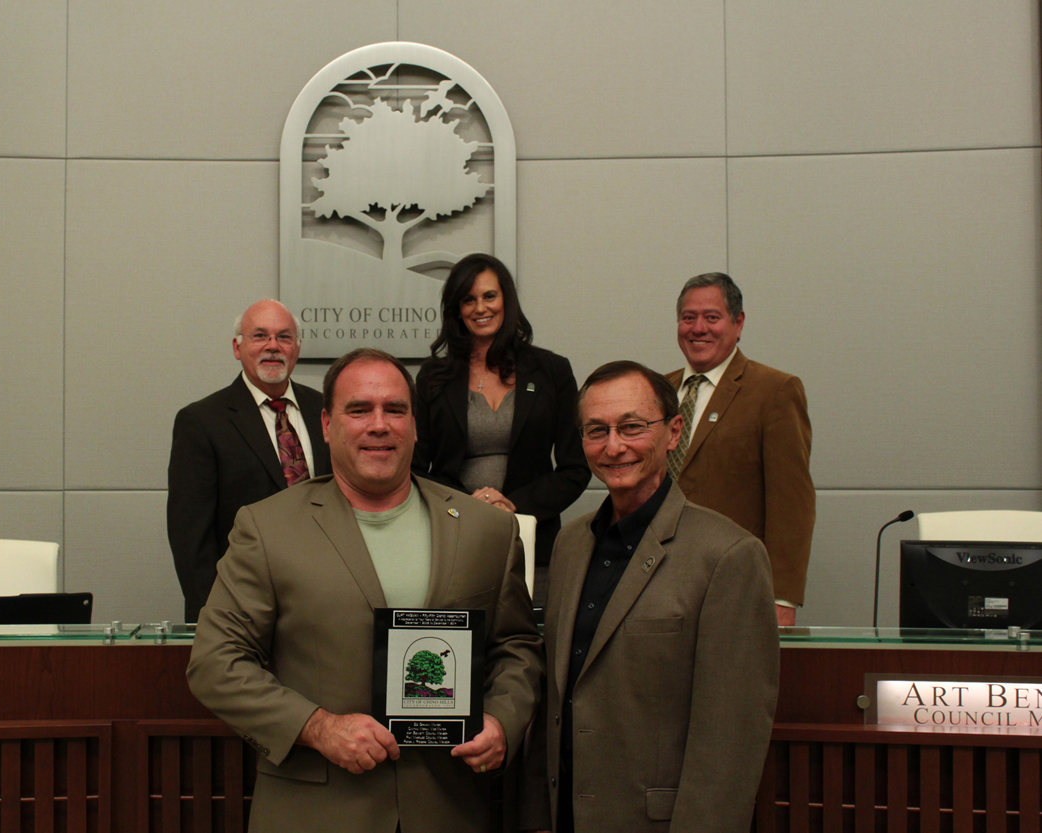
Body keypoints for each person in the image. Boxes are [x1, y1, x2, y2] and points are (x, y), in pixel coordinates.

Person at [187, 348, 543, 833]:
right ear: (327, 425)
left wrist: (503, 719)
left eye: (395, 410)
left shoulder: (485, 530)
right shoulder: (267, 527)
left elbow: (517, 648)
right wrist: (319, 727)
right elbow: (215, 662)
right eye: (360, 410)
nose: (380, 425)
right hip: (315, 811)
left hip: (447, 807)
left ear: (415, 426)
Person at [521, 361, 778, 833]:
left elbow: (730, 740)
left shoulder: (729, 556)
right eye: (597, 430)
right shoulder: (570, 544)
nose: (614, 446)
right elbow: (557, 698)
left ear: (673, 431)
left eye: (633, 427)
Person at [413, 253, 590, 568]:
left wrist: (513, 505)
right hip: (454, 532)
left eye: (489, 296)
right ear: (457, 310)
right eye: (469, 300)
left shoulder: (552, 370)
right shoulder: (433, 377)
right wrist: (467, 507)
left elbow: (575, 468)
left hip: (533, 537)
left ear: (506, 300)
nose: (480, 308)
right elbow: (414, 467)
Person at [166, 299, 331, 622]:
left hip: (324, 601)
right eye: (259, 336)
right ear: (237, 348)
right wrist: (213, 615)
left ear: (297, 347)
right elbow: (190, 537)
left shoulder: (326, 411)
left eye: (284, 337)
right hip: (239, 604)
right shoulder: (201, 421)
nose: (273, 346)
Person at [666, 272, 815, 626]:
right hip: (658, 578)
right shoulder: (659, 390)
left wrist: (781, 596)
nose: (698, 328)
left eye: (712, 317)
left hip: (735, 582)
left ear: (738, 323)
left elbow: (791, 503)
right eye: (688, 318)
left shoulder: (774, 391)